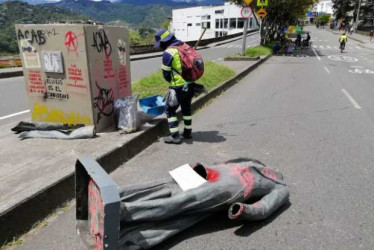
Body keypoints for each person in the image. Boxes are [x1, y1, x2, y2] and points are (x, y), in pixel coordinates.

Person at [154, 29, 195, 144]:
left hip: (178, 87)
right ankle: (187, 133)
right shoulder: (184, 46)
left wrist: (173, 82)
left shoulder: (169, 52)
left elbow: (166, 74)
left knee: (170, 110)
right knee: (186, 108)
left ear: (163, 41)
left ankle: (175, 136)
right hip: (191, 83)